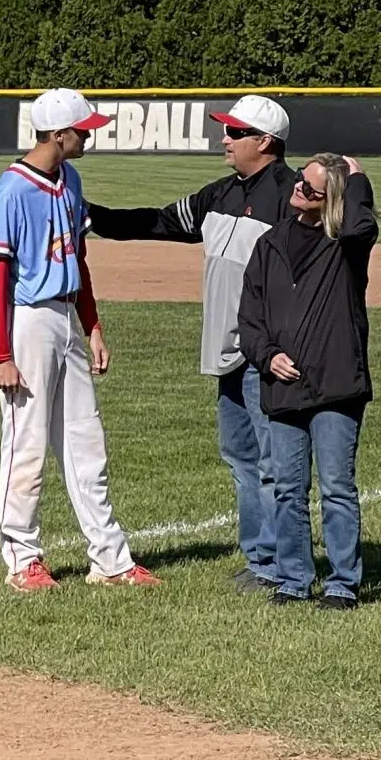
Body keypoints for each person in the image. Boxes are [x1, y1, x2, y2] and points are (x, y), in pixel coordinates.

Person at [85, 92, 299, 593]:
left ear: (265, 141)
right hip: (227, 351)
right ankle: (259, 558)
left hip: (267, 356)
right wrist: (92, 215)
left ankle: (280, 567)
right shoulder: (220, 194)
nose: (224, 138)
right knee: (243, 460)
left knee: (273, 464)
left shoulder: (292, 198)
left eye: (236, 132)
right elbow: (159, 221)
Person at [0, 89, 160, 592]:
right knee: (27, 444)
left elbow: (78, 258)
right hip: (29, 323)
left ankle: (109, 558)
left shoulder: (70, 178)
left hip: (66, 317)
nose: (90, 135)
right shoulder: (12, 190)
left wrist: (93, 324)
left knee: (87, 443)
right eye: (84, 130)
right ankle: (22, 559)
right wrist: (1, 354)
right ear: (58, 135)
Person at [235, 156, 378, 609]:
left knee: (336, 487)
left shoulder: (346, 244)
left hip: (336, 384)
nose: (300, 189)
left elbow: (361, 225)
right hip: (283, 386)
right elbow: (249, 318)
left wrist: (357, 179)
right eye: (300, 181)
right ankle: (293, 578)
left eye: (313, 189)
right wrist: (267, 355)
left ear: (332, 199)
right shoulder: (270, 243)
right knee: (287, 488)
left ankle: (341, 583)